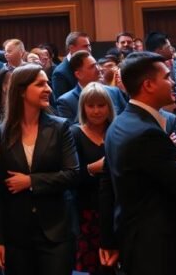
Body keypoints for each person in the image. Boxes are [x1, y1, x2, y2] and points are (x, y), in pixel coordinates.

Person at [100, 52, 176, 275]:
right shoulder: (147, 133)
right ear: (148, 85)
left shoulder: (119, 123)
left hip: (133, 239)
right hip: (160, 248)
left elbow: (107, 186)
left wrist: (108, 239)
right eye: (166, 77)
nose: (173, 82)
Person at [0, 64, 79, 275]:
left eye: (47, 83)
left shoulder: (60, 127)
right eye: (40, 84)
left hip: (56, 232)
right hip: (16, 235)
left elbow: (73, 174)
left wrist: (31, 181)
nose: (48, 88)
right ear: (21, 90)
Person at [69, 83, 115, 275]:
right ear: (83, 108)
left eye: (101, 105)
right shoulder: (74, 133)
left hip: (116, 211)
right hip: (87, 213)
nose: (96, 111)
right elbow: (70, 176)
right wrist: (92, 168)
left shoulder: (117, 132)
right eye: (91, 106)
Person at [55, 51, 127, 124]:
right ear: (79, 74)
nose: (99, 69)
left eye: (96, 65)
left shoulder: (114, 92)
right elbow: (69, 129)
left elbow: (126, 119)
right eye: (92, 67)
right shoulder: (66, 102)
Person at [51, 31, 93, 98]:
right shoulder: (60, 73)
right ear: (71, 48)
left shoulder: (91, 65)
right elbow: (62, 101)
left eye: (89, 45)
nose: (89, 49)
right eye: (85, 46)